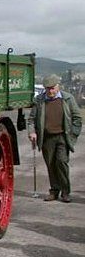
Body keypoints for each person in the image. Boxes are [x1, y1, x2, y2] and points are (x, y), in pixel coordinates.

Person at [27, 74, 82, 203]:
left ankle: (65, 192)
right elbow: (31, 120)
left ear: (58, 87)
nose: (50, 91)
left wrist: (73, 134)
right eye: (47, 89)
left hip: (63, 136)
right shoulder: (39, 100)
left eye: (52, 88)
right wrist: (32, 132)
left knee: (61, 162)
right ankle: (54, 191)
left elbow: (77, 118)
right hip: (47, 138)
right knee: (51, 165)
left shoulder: (68, 98)